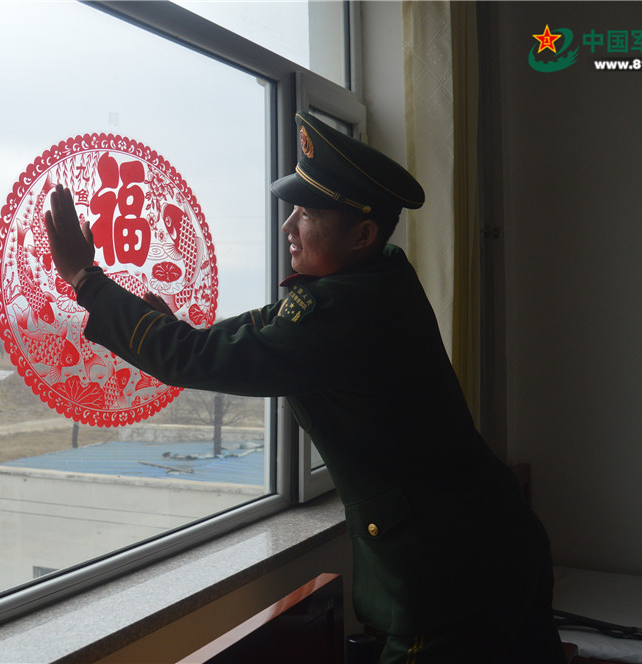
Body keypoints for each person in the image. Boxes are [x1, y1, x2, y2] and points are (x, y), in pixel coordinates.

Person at [44, 112, 566, 663]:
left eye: (308, 214)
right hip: (498, 539)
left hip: (451, 577)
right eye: (292, 210)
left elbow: (199, 358)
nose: (288, 227)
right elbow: (255, 332)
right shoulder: (377, 276)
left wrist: (86, 281)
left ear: (362, 234)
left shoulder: (341, 313)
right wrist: (178, 330)